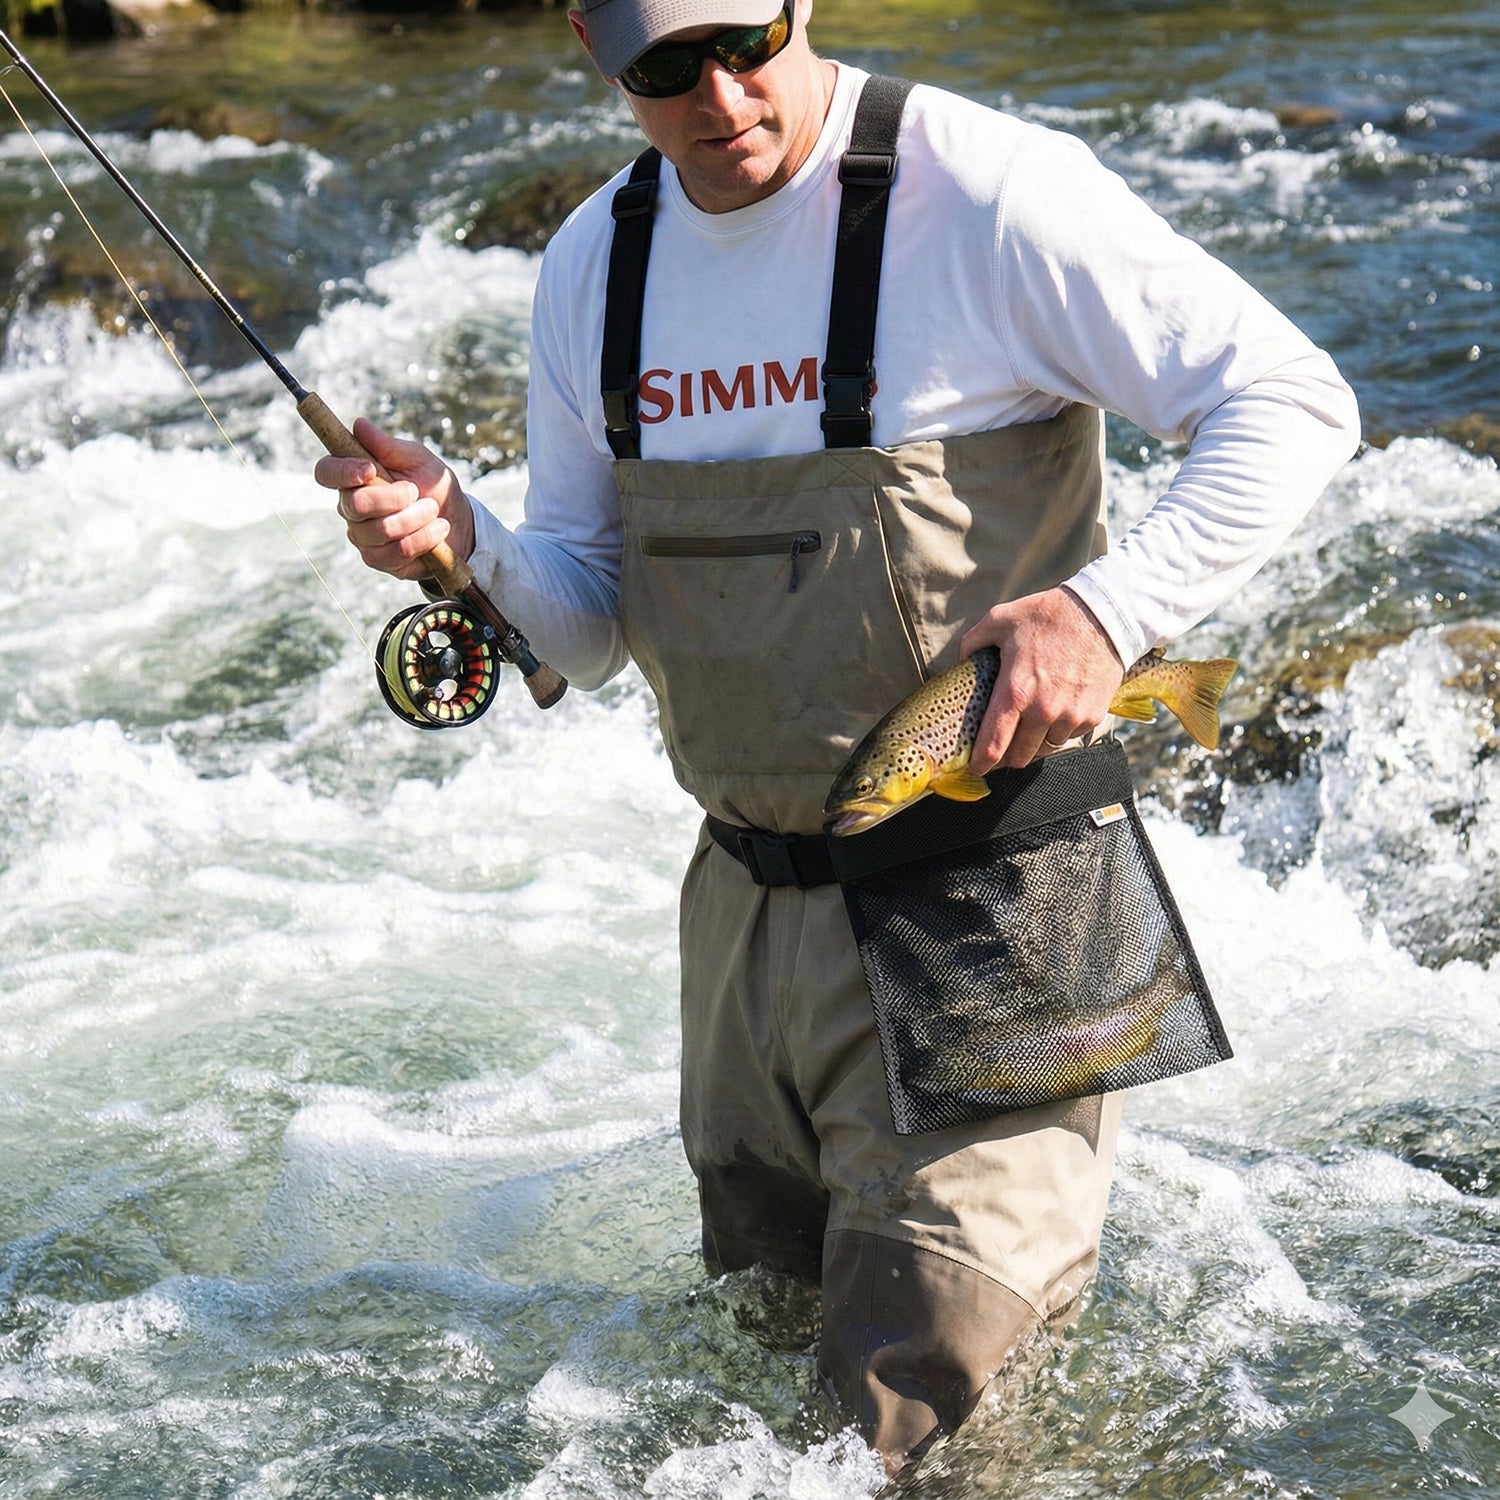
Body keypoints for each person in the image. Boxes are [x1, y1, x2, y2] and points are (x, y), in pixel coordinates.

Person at [316, 0, 1360, 1474]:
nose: (722, 95)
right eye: (665, 69)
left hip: (998, 893)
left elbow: (1295, 400)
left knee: (904, 1437)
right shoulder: (593, 264)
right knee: (745, 1419)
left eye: (746, 40)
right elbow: (591, 625)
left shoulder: (986, 193)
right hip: (742, 925)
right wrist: (467, 542)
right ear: (591, 54)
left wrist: (1108, 614)